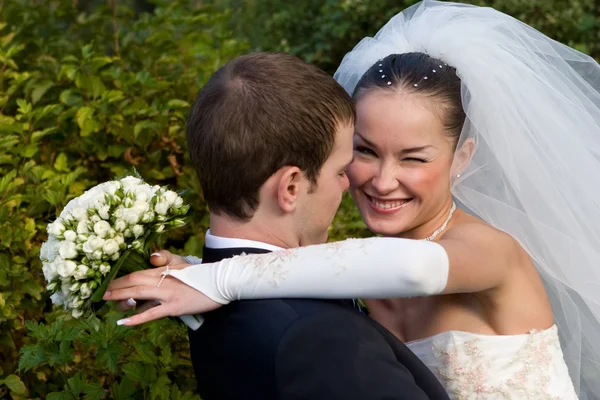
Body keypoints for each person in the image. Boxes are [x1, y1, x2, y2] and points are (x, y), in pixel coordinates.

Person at [107, 1, 600, 399]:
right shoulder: (348, 267)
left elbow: (415, 269)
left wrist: (218, 275)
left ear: (463, 157)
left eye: (413, 158)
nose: (383, 181)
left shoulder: (491, 250)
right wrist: (190, 267)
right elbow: (305, 272)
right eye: (364, 151)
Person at [106, 51, 450, 400]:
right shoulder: (319, 337)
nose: (348, 185)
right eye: (339, 171)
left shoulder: (199, 290)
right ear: (290, 188)